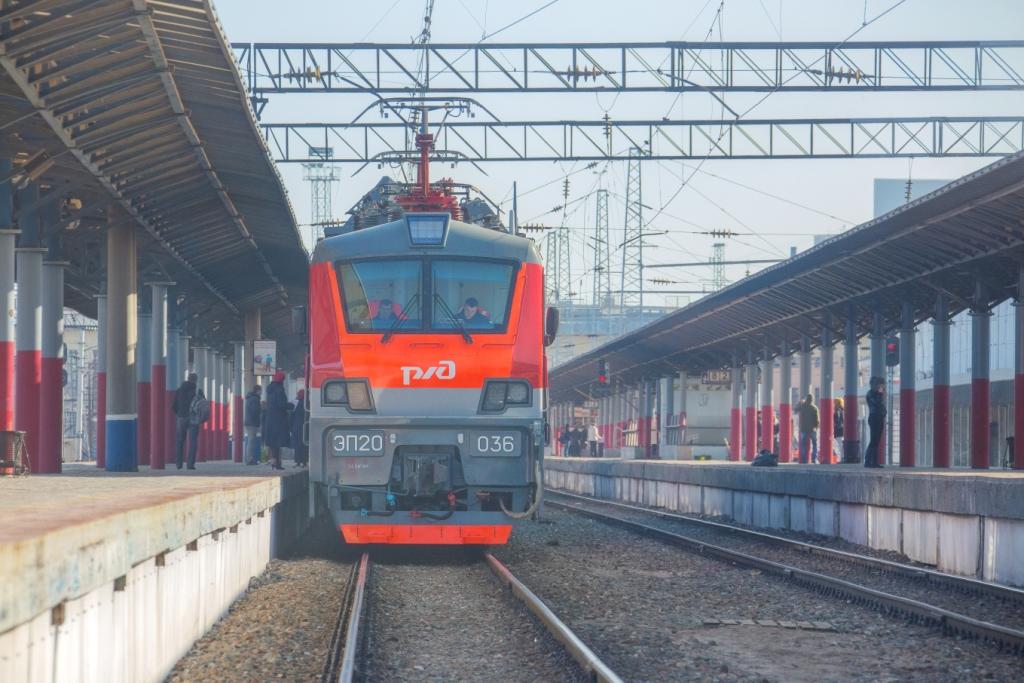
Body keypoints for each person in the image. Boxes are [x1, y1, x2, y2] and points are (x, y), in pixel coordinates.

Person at [264, 371, 290, 471]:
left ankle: (274, 462)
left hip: (270, 418)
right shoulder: (279, 389)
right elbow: (281, 404)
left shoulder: (270, 389)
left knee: (273, 443)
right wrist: (291, 405)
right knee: (278, 442)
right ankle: (278, 463)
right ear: (281, 380)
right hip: (279, 419)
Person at [172, 373, 198, 469]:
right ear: (195, 380)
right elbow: (202, 405)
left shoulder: (179, 390)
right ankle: (190, 464)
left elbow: (174, 406)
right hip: (193, 418)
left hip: (181, 417)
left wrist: (179, 414)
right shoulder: (197, 392)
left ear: (187, 379)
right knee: (193, 442)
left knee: (180, 441)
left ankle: (179, 464)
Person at [865, 377, 887, 468]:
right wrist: (881, 392)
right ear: (871, 384)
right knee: (874, 440)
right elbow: (877, 403)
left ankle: (872, 461)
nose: (877, 385)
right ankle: (869, 461)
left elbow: (881, 404)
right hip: (874, 417)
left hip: (879, 417)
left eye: (878, 384)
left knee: (876, 441)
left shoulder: (878, 393)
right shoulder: (870, 394)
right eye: (876, 383)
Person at [187, 388, 211, 470]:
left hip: (191, 422)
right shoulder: (203, 401)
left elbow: (191, 410)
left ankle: (189, 463)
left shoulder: (194, 400)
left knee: (191, 443)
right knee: (194, 444)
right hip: (197, 423)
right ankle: (191, 463)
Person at [797, 394, 819, 464]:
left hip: (803, 429)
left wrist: (800, 402)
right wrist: (816, 427)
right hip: (813, 429)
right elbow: (817, 420)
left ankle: (804, 459)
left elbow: (796, 409)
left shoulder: (802, 407)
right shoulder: (815, 408)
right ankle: (814, 458)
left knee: (803, 444)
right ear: (812, 400)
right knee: (814, 444)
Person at [243, 384, 262, 465]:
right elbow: (255, 411)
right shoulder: (255, 399)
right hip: (252, 423)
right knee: (251, 441)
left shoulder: (250, 398)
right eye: (261, 390)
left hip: (249, 422)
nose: (261, 392)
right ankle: (249, 459)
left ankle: (249, 458)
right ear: (257, 391)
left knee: (250, 441)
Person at [290, 389, 309, 467]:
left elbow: (291, 416)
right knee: (304, 444)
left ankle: (297, 461)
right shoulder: (308, 404)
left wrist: (291, 427)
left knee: (297, 445)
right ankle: (304, 461)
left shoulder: (295, 403)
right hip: (306, 427)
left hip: (296, 427)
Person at [833, 397, 845, 462]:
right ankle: (841, 458)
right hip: (842, 430)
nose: (834, 404)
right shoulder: (843, 410)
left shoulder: (837, 411)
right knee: (840, 445)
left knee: (839, 445)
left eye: (835, 402)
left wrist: (835, 426)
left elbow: (837, 421)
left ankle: (841, 459)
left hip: (838, 430)